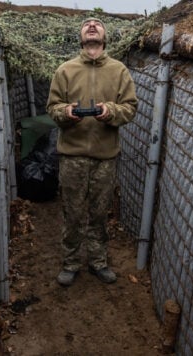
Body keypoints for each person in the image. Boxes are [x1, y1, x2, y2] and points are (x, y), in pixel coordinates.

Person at [46, 17, 138, 286]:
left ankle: (98, 261)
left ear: (104, 36)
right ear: (81, 37)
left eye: (97, 23)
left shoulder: (119, 71)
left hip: (105, 157)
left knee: (99, 213)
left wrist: (111, 112)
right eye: (87, 24)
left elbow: (130, 108)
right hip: (72, 156)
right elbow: (52, 108)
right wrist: (67, 112)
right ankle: (71, 262)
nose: (92, 25)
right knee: (72, 212)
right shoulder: (65, 70)